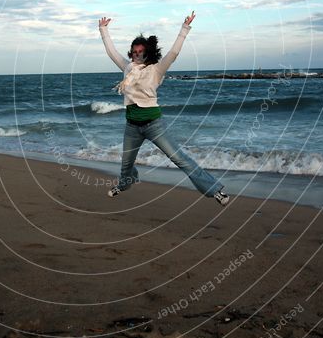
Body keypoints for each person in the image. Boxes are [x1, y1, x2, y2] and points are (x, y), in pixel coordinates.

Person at [98, 11, 230, 206]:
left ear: (147, 53)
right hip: (132, 126)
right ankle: (126, 184)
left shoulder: (157, 69)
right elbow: (112, 52)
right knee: (126, 165)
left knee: (180, 159)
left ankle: (215, 190)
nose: (136, 54)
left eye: (140, 51)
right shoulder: (127, 68)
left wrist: (185, 28)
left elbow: (174, 53)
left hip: (154, 125)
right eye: (134, 51)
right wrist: (103, 29)